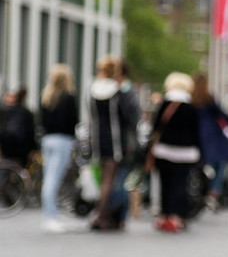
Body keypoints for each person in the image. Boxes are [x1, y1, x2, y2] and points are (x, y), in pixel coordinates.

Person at [87, 56, 139, 231]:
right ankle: (101, 214)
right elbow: (129, 118)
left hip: (97, 140)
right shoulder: (117, 93)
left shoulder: (92, 91)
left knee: (102, 179)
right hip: (115, 141)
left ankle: (102, 214)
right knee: (109, 180)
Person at [149, 72, 200, 232]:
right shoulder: (192, 107)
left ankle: (165, 215)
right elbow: (197, 131)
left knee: (165, 184)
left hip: (164, 150)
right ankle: (178, 217)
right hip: (186, 152)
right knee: (181, 184)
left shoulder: (164, 104)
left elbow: (155, 127)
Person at [39, 64, 79, 233]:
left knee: (49, 177)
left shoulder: (46, 96)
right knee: (53, 179)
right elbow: (73, 120)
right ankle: (50, 216)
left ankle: (51, 213)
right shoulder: (68, 97)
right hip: (62, 140)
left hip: (48, 140)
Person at [191, 73, 228, 206]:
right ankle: (214, 192)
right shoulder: (208, 98)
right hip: (211, 136)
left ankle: (203, 189)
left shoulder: (191, 98)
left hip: (196, 134)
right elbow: (221, 114)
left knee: (203, 162)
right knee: (221, 163)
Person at [0, 87, 36, 168]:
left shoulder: (6, 112)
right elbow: (30, 132)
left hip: (6, 146)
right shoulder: (26, 112)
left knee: (6, 166)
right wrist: (33, 149)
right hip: (21, 149)